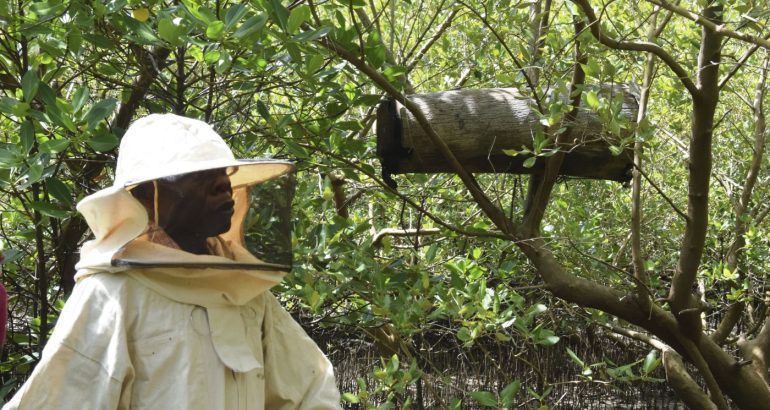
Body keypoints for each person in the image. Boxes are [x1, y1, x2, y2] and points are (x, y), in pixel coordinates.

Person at [4, 114, 341, 409]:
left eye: (223, 174)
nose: (224, 185)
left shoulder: (243, 290)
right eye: (200, 176)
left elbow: (310, 388)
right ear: (146, 195)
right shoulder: (112, 294)